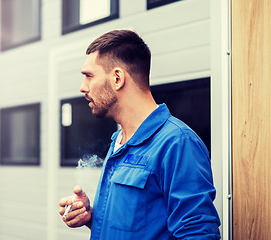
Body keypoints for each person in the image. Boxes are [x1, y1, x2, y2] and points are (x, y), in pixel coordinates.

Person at [58, 30, 221, 239]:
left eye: (89, 76)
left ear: (117, 78)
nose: (82, 88)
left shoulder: (177, 143)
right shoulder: (118, 142)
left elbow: (198, 235)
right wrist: (91, 218)